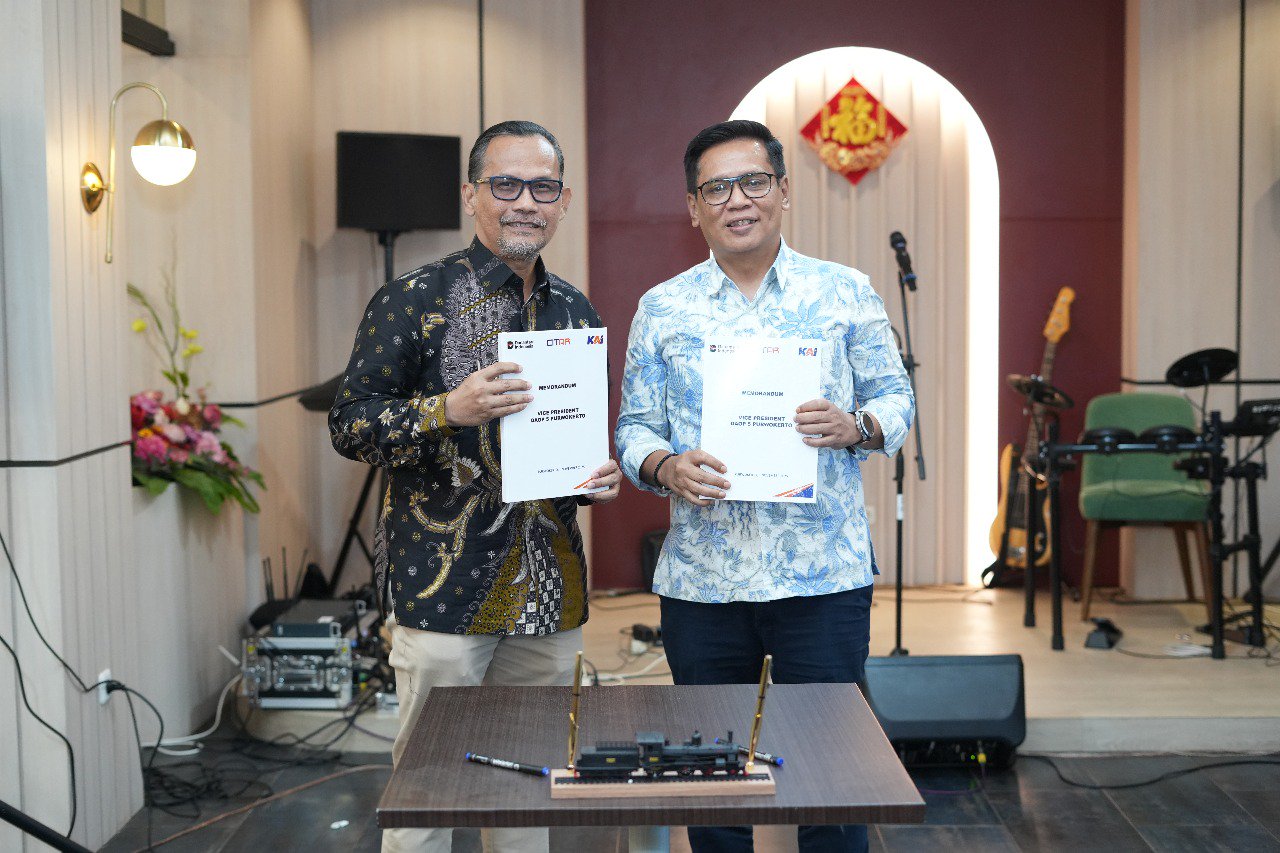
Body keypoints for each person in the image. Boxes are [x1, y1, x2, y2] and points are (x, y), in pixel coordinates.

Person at [615, 119, 914, 853]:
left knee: (830, 774)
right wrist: (665, 467)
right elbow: (634, 430)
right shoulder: (663, 306)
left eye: (753, 182)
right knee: (710, 779)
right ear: (693, 207)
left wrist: (856, 425)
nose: (737, 200)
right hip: (705, 580)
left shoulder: (844, 292)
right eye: (716, 188)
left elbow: (897, 399)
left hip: (822, 576)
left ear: (783, 190)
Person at [330, 120, 620, 853]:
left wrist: (594, 476)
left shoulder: (576, 311)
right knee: (427, 792)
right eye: (506, 184)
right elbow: (350, 424)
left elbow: (573, 441)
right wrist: (445, 410)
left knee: (527, 788)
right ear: (471, 195)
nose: (525, 202)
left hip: (548, 589)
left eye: (543, 188)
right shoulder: (411, 299)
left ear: (563, 200)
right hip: (442, 589)